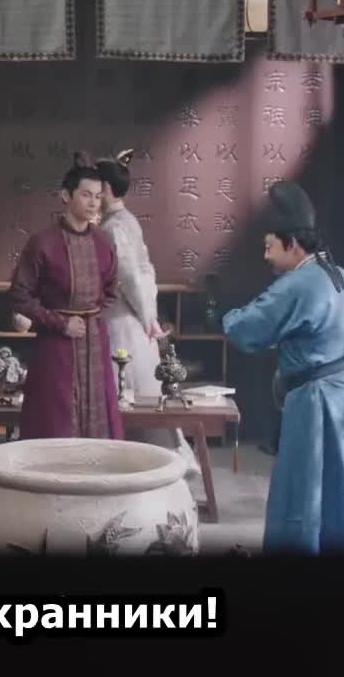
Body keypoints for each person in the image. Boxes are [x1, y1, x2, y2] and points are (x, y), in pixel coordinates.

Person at [221, 181, 344, 554]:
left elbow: (248, 327)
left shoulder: (300, 283)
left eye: (270, 247)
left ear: (293, 244)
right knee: (343, 489)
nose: (267, 257)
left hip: (318, 398)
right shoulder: (341, 275)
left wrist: (223, 315)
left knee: (303, 493)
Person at [95, 149, 202, 480]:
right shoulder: (123, 221)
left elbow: (131, 277)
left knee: (127, 394)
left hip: (122, 319)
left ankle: (139, 468)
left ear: (105, 189)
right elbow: (144, 274)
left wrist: (146, 318)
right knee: (138, 394)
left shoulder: (114, 227)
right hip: (130, 315)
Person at [9, 152, 124, 441]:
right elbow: (19, 295)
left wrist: (93, 318)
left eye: (97, 196)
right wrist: (61, 323)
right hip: (55, 345)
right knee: (56, 421)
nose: (93, 202)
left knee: (100, 425)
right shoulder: (42, 243)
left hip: (95, 342)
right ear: (65, 196)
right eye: (85, 195)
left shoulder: (104, 241)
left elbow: (112, 291)